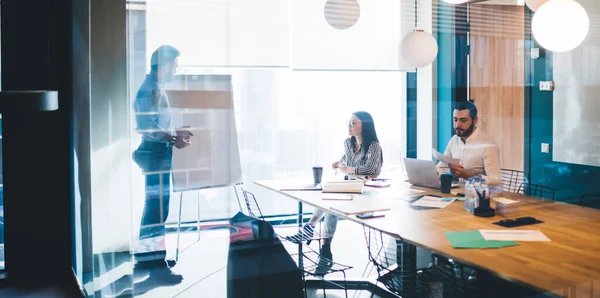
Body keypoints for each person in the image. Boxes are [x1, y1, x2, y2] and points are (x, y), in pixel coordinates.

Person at [289, 111, 383, 274]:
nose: (350, 125)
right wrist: (339, 163)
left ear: (365, 125)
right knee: (329, 200)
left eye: (354, 122)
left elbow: (373, 169)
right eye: (349, 122)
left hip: (365, 192)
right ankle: (324, 250)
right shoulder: (348, 142)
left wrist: (349, 169)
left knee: (333, 205)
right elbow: (347, 159)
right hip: (349, 188)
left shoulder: (373, 145)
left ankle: (310, 230)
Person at [132, 45, 193, 270]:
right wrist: (172, 139)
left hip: (158, 151)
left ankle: (153, 257)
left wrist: (176, 135)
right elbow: (147, 126)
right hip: (155, 152)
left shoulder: (155, 87)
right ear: (166, 66)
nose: (176, 71)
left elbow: (156, 122)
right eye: (175, 66)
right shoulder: (151, 89)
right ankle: (149, 259)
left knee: (157, 207)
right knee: (156, 207)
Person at [436, 100, 501, 186]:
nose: (457, 125)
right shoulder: (454, 140)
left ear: (475, 121)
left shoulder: (487, 144)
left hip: (481, 196)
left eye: (463, 120)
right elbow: (442, 167)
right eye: (455, 120)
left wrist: (468, 176)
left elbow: (496, 181)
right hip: (460, 193)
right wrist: (429, 172)